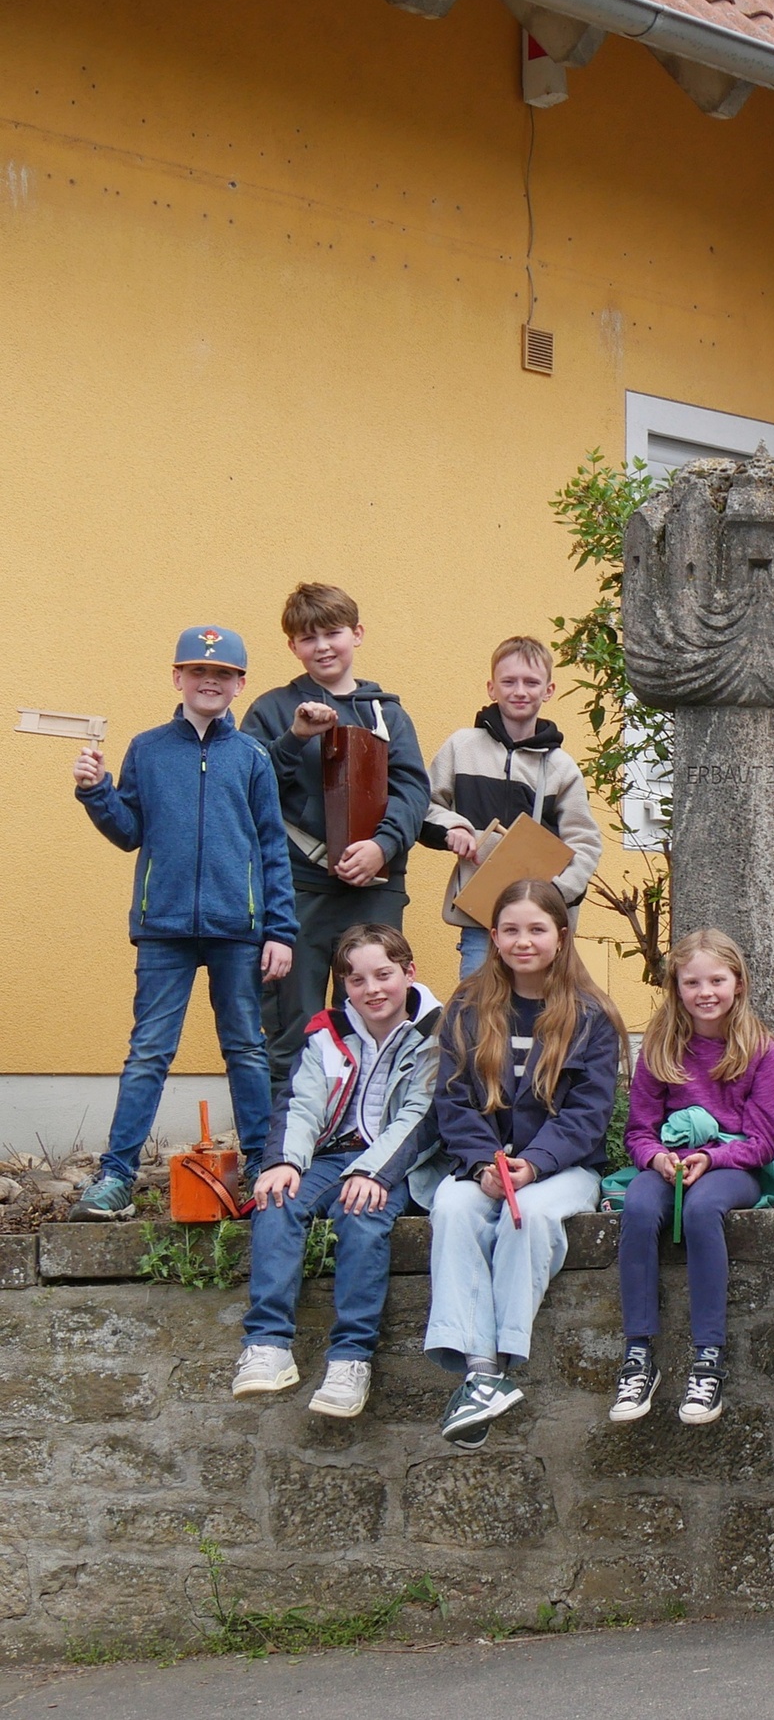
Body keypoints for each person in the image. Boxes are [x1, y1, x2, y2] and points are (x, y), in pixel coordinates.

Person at [69, 626, 295, 1218]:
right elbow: (128, 831)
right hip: (164, 927)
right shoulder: (146, 748)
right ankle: (115, 1175)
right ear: (177, 678)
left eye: (222, 674)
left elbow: (272, 847)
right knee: (148, 1052)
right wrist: (97, 792)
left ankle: (259, 1165)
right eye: (198, 672)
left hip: (237, 930)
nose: (209, 681)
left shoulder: (251, 756)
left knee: (246, 1047)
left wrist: (280, 931)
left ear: (239, 684)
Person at [425, 878, 624, 1449]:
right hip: (484, 1165)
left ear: (560, 937)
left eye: (536, 929)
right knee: (453, 1206)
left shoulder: (590, 1015)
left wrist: (533, 1166)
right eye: (510, 930)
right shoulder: (469, 1005)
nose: (523, 941)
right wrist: (481, 1164)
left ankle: (495, 1370)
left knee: (529, 1218)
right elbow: (453, 1100)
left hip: (562, 1170)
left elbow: (588, 1115)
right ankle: (481, 1368)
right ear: (493, 936)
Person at [233, 924, 442, 1419]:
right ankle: (267, 1344)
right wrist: (283, 1163)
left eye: (384, 975)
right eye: (356, 980)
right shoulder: (327, 1032)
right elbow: (300, 1105)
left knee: (361, 1214)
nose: (372, 989)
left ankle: (351, 1357)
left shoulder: (438, 1033)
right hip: (333, 1157)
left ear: (409, 973)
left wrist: (373, 1173)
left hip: (399, 1165)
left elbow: (423, 1117)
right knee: (277, 1198)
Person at [242, 583, 431, 1088]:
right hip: (295, 893)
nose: (322, 646)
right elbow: (245, 787)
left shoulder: (387, 713)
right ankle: (284, 1152)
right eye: (308, 638)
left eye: (333, 633)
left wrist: (382, 847)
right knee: (292, 1027)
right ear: (292, 647)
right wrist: (294, 738)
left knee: (375, 1020)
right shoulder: (271, 710)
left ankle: (362, 1141)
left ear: (357, 634)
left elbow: (413, 792)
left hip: (373, 893)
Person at [610, 930, 774, 1429]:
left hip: (734, 1166)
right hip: (671, 1162)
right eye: (693, 982)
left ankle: (708, 1356)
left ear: (739, 983)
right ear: (676, 987)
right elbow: (639, 1131)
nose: (705, 992)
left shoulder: (759, 1050)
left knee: (701, 1210)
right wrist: (657, 1159)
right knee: (641, 1209)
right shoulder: (660, 1048)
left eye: (717, 979)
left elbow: (764, 1142)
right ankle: (638, 1354)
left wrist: (711, 1158)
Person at [421, 635, 602, 982]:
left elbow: (586, 842)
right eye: (509, 681)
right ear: (492, 688)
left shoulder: (562, 768)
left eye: (531, 682)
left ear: (548, 690)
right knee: (475, 1016)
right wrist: (453, 828)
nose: (520, 690)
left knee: (540, 1021)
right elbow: (425, 804)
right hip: (481, 922)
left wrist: (556, 895)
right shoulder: (461, 747)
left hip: (539, 929)